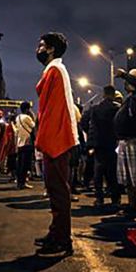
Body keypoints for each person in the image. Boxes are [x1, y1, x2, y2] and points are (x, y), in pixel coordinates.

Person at [33, 32, 80, 256]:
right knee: (55, 190)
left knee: (59, 191)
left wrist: (46, 138)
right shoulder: (54, 70)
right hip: (56, 138)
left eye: (41, 45)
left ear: (50, 49)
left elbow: (53, 111)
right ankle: (56, 233)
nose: (38, 49)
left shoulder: (55, 71)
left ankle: (62, 239)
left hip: (57, 140)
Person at [114, 69, 136, 215]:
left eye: (129, 80)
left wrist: (124, 75)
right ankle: (132, 204)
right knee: (127, 177)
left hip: (134, 140)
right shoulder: (130, 98)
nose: (126, 83)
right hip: (125, 141)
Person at [87, 85, 121, 208]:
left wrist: (90, 144)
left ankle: (99, 198)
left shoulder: (95, 109)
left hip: (99, 144)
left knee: (98, 172)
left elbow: (89, 126)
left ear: (104, 94)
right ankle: (115, 199)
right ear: (113, 95)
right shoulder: (117, 108)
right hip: (112, 143)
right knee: (112, 172)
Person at [13, 101, 36, 189]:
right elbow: (34, 126)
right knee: (26, 164)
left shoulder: (18, 117)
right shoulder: (27, 117)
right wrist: (32, 115)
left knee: (20, 164)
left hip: (20, 143)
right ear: (27, 109)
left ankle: (19, 182)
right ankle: (23, 182)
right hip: (27, 143)